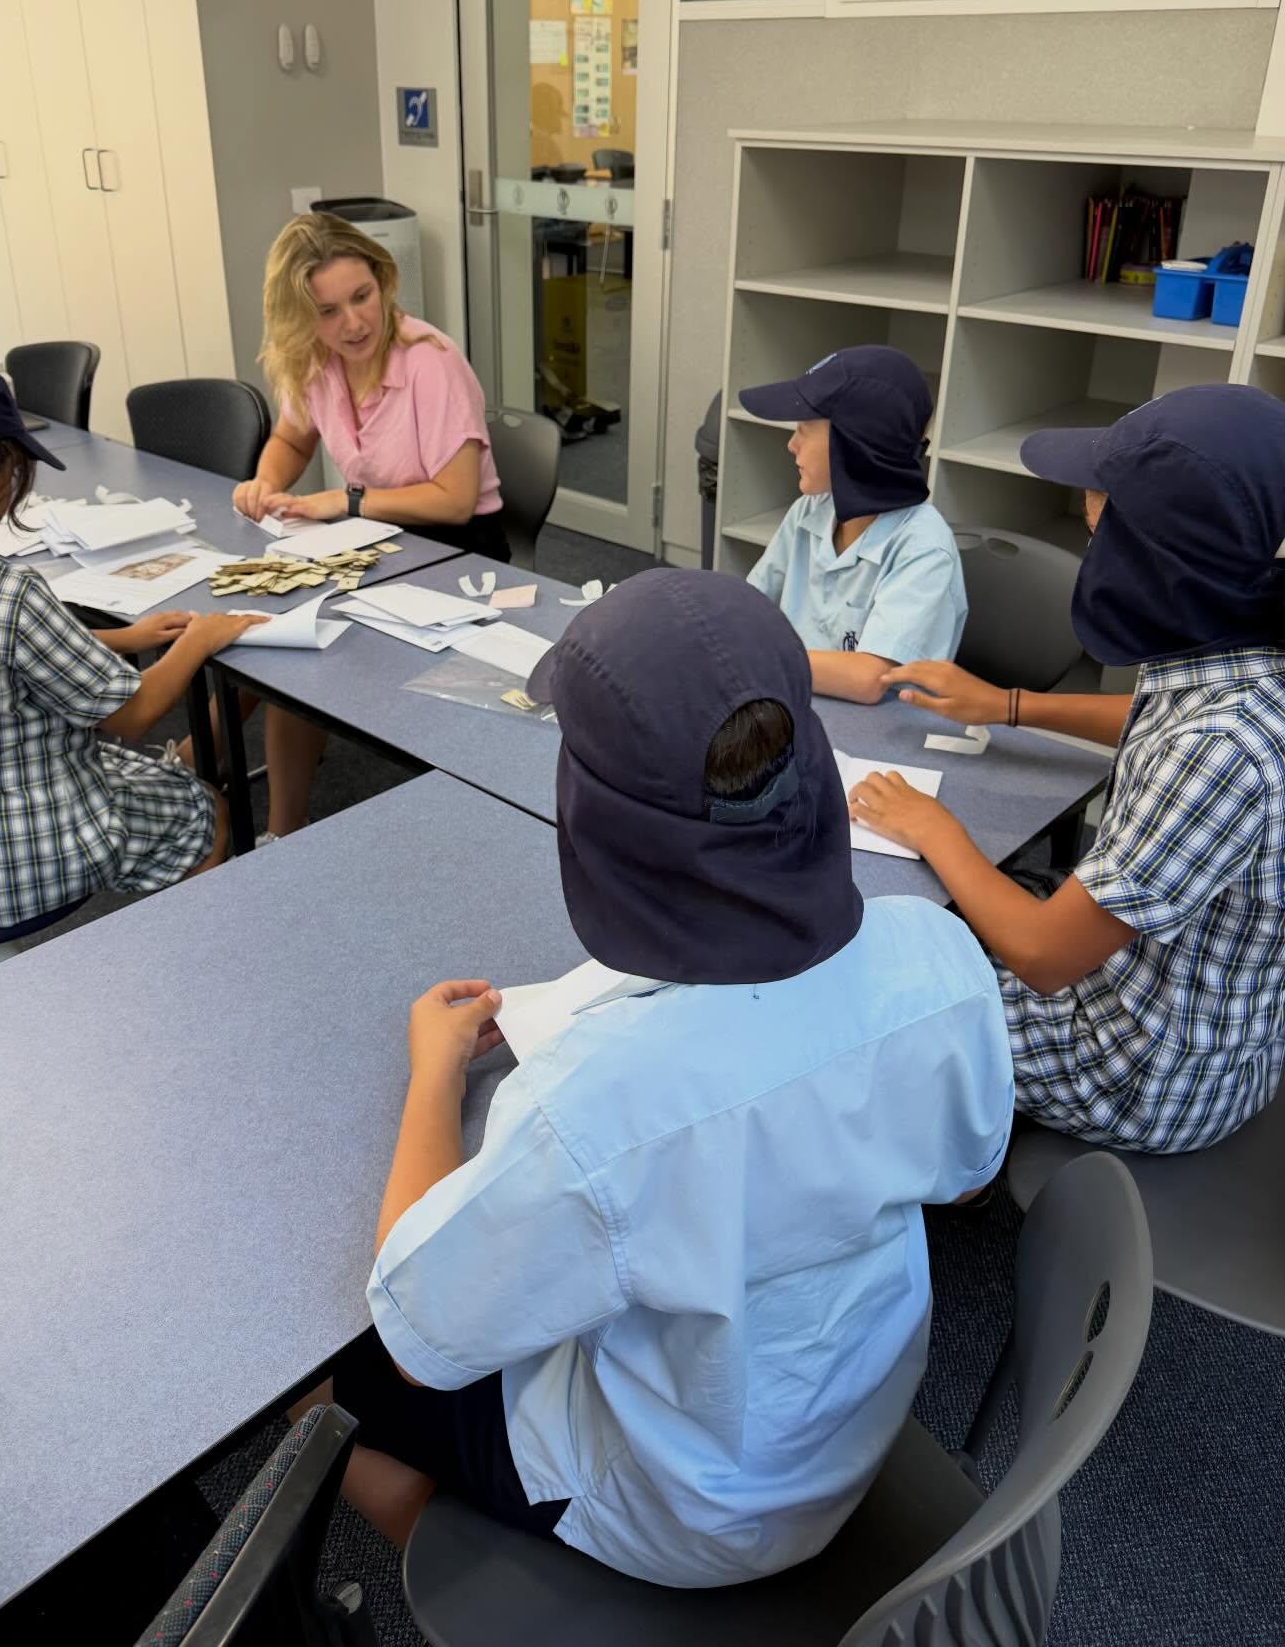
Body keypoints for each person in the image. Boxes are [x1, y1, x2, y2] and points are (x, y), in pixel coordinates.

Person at [323, 569, 1013, 1586]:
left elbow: (418, 1334)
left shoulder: (590, 1107)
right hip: (850, 1425)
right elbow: (965, 1181)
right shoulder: (940, 955)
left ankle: (518, 1591)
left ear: (598, 822)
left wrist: (433, 1075)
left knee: (327, 1381)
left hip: (688, 1511)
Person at [847, 384, 1285, 1156]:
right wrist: (1008, 705)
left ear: (1149, 556)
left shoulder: (1224, 748)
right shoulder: (1239, 649)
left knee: (868, 995)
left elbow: (1045, 957)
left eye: (1097, 530)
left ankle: (963, 1175)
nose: (1090, 541)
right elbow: (1158, 715)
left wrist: (932, 826)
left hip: (1137, 1073)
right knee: (959, 913)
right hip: (1190, 1019)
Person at [0, 357, 264, 942]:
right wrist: (201, 638)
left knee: (142, 776)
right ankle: (197, 957)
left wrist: (124, 638)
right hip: (19, 845)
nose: (8, 501)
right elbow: (134, 715)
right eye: (11, 477)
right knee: (206, 812)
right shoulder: (5, 590)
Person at [229, 213, 509, 837]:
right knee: (269, 634)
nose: (353, 323)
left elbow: (456, 501)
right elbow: (291, 438)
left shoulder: (430, 362)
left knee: (299, 643)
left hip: (458, 551)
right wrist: (266, 482)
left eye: (362, 296)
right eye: (328, 311)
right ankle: (272, 827)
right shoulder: (315, 360)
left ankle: (217, 782)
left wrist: (347, 501)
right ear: (302, 318)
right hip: (380, 541)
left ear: (383, 281)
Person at [741, 346, 966, 704]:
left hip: (883, 727)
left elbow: (869, 678)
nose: (791, 444)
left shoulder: (923, 546)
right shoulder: (810, 510)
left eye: (803, 429)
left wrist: (755, 656)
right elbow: (746, 607)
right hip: (803, 701)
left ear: (854, 445)